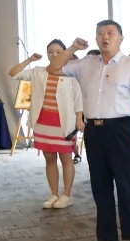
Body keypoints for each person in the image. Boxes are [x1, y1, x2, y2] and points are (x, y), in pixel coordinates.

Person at [50, 21, 130, 241]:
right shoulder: (85, 64)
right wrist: (71, 48)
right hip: (94, 131)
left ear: (120, 38)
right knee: (100, 185)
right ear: (95, 38)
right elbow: (53, 69)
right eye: (100, 33)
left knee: (128, 184)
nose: (105, 37)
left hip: (123, 129)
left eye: (110, 33)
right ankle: (107, 237)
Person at [9, 40, 84, 209]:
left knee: (66, 159)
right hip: (43, 122)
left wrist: (79, 119)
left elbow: (78, 99)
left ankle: (67, 195)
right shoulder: (38, 71)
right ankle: (54, 194)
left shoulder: (71, 73)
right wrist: (30, 60)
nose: (54, 54)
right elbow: (13, 73)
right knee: (49, 159)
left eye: (58, 51)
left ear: (65, 53)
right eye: (50, 51)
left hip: (64, 123)